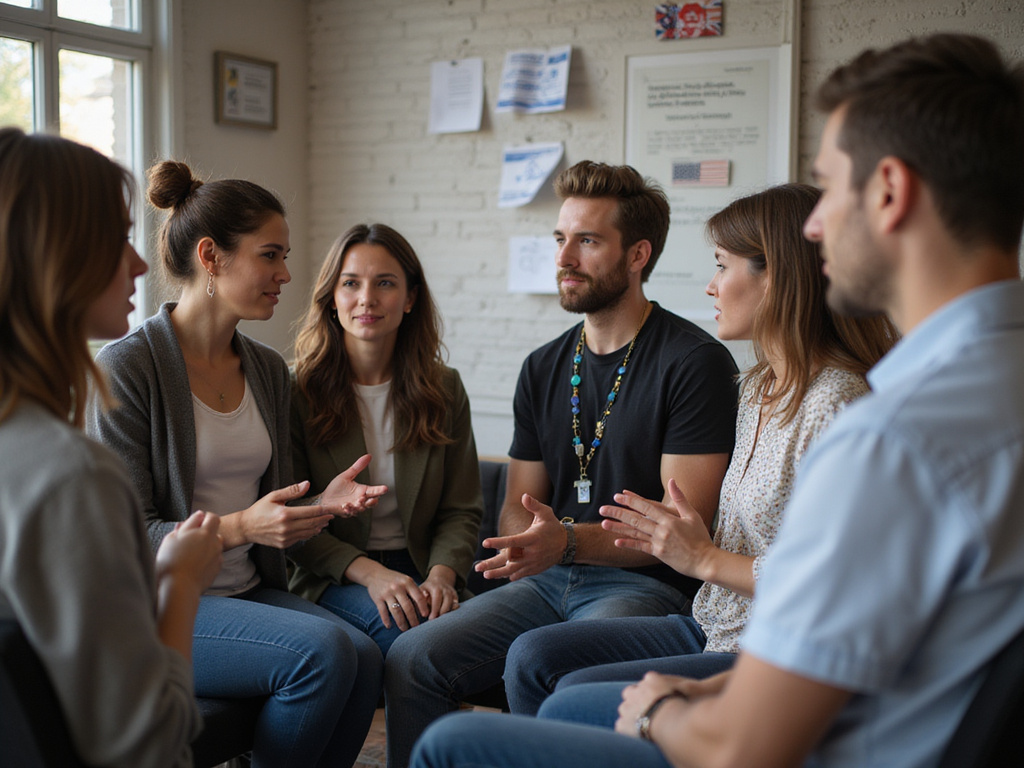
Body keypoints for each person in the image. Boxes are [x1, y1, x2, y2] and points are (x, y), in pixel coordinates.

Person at [408, 32, 1024, 768]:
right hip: (838, 698)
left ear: (890, 191)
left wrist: (664, 707)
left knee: (455, 744)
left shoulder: (885, 436)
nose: (817, 226)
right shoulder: (983, 385)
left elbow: (743, 746)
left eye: (828, 189)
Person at [384, 160, 740, 767]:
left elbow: (683, 529)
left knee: (549, 654)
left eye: (588, 240)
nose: (564, 257)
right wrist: (530, 548)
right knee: (412, 657)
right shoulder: (543, 365)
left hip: (643, 587)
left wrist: (565, 542)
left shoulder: (694, 362)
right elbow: (519, 505)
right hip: (546, 579)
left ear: (637, 255)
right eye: (559, 238)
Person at [503, 182, 898, 717]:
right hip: (714, 625)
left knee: (568, 703)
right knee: (533, 657)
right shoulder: (758, 386)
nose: (710, 287)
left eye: (722, 266)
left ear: (778, 277)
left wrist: (702, 556)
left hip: (772, 648)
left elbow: (839, 579)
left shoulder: (836, 404)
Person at [87, 160, 387, 768]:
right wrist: (244, 527)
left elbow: (269, 512)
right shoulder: (129, 369)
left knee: (367, 656)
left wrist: (316, 507)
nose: (287, 274)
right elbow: (128, 537)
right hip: (160, 606)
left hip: (247, 590)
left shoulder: (268, 371)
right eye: (270, 256)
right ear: (212, 257)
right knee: (325, 651)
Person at [0, 128, 223, 767]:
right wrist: (180, 581)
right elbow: (145, 747)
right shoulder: (71, 479)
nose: (141, 264)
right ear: (55, 257)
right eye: (117, 238)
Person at [288, 222, 483, 658]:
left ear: (410, 298)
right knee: (413, 641)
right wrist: (371, 574)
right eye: (351, 283)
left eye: (386, 284)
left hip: (422, 567)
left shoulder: (444, 388)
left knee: (488, 639)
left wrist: (442, 577)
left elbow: (461, 509)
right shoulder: (295, 392)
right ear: (332, 297)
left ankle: (451, 733)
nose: (367, 299)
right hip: (337, 574)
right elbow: (294, 518)